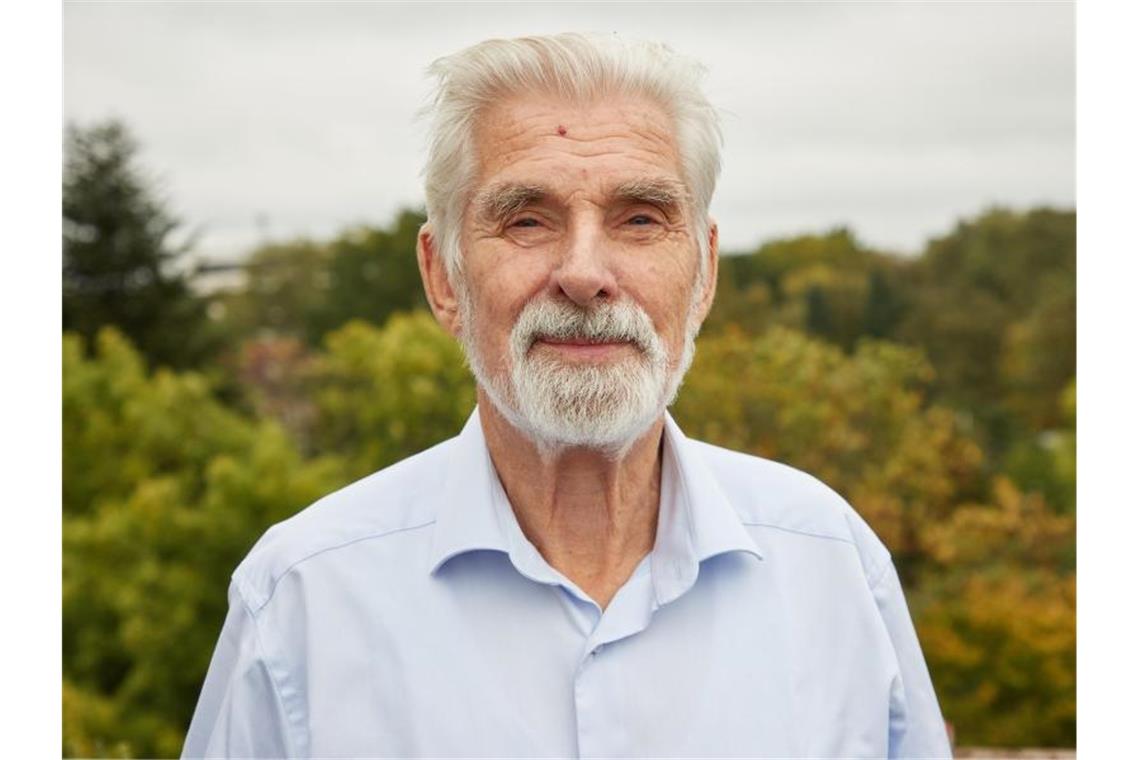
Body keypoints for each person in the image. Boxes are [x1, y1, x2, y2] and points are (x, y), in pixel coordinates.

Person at [182, 33, 951, 759]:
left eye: (641, 218)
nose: (584, 272)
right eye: (527, 219)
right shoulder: (302, 599)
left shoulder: (832, 565)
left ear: (706, 272)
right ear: (443, 276)